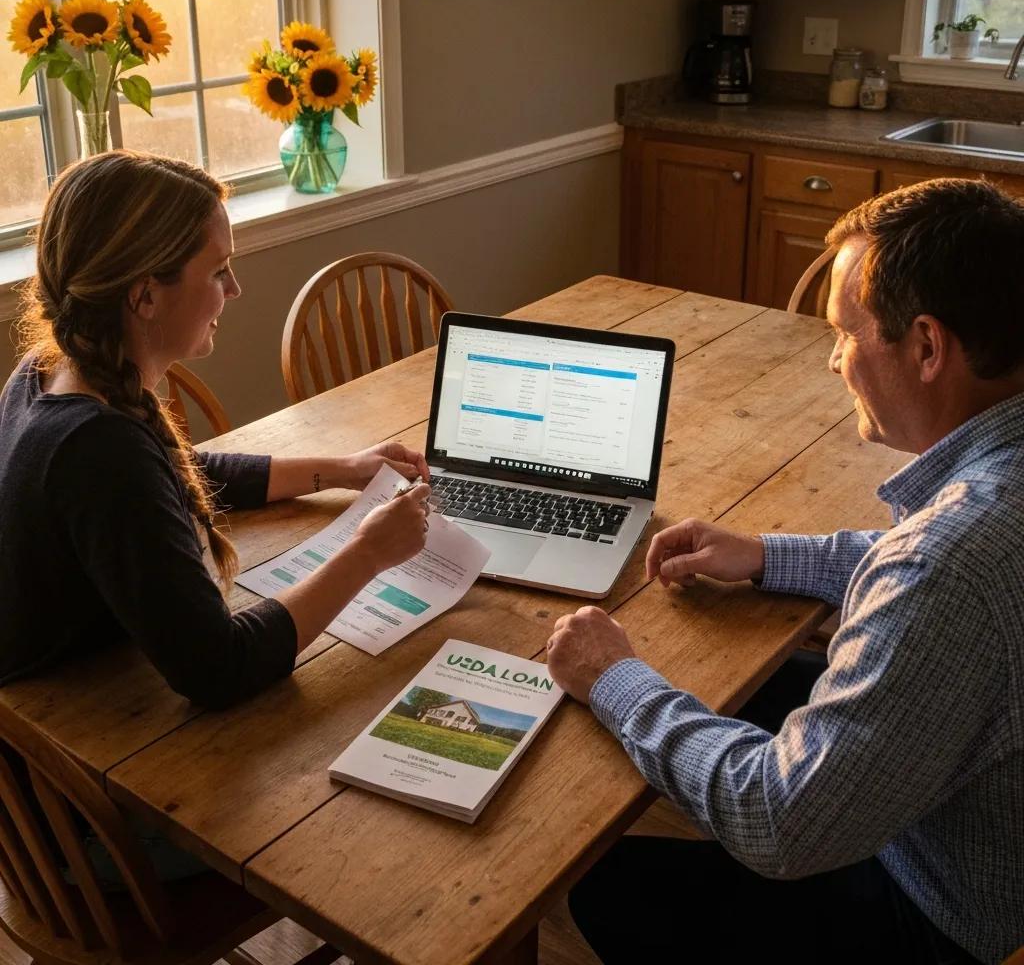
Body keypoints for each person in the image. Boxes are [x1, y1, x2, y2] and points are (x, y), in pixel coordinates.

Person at [546, 179, 1024, 965]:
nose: (836, 359)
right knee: (754, 686)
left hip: (946, 919)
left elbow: (780, 822)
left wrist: (615, 678)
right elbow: (932, 575)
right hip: (977, 815)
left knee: (601, 882)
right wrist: (767, 555)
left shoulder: (950, 564)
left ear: (928, 347)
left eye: (845, 333)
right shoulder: (989, 498)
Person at [0, 150, 433, 711]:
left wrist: (343, 469)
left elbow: (163, 477)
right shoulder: (97, 448)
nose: (235, 290)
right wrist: (368, 553)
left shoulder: (45, 369)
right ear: (145, 294)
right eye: (218, 270)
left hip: (87, 685)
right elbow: (220, 668)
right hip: (65, 739)